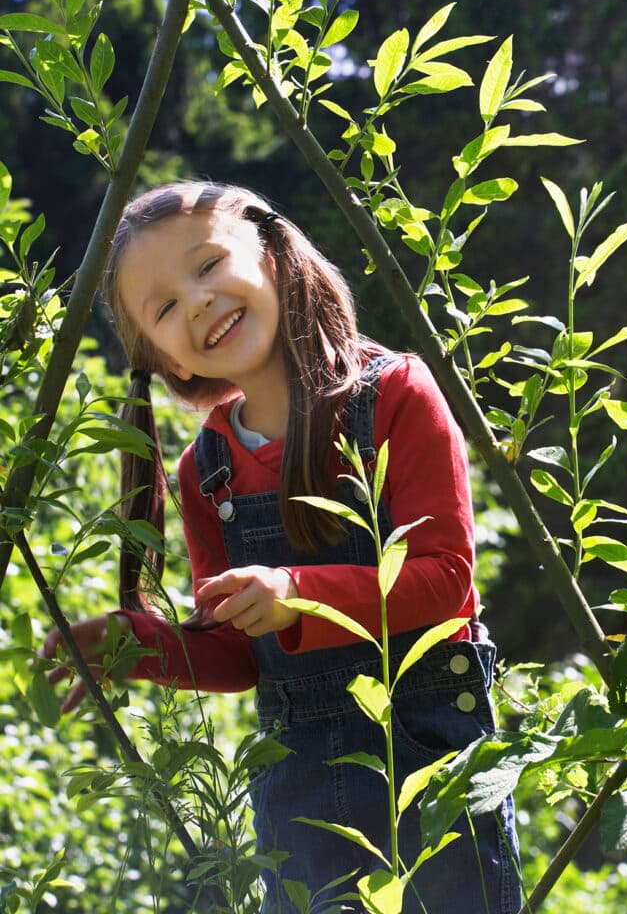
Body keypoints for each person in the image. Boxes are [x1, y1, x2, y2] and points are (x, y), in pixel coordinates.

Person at [41, 181, 521, 914]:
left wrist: (299, 594)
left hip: (430, 761)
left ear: (272, 254)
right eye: (164, 308)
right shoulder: (207, 472)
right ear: (168, 360)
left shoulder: (393, 394)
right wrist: (136, 645)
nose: (196, 302)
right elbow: (240, 656)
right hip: (301, 793)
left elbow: (444, 578)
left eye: (208, 265)